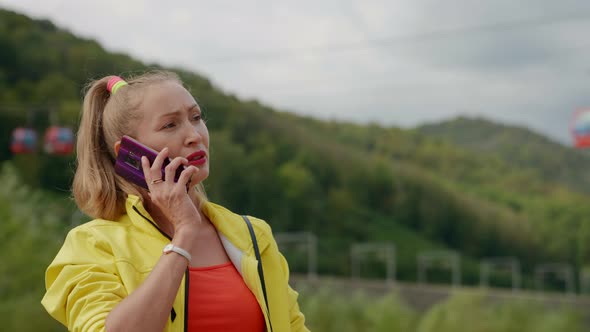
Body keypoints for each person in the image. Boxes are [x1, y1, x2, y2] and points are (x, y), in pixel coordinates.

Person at [41, 71, 309, 332]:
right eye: (170, 124)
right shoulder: (93, 244)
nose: (195, 135)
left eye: (196, 117)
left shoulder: (253, 235)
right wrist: (184, 234)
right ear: (129, 152)